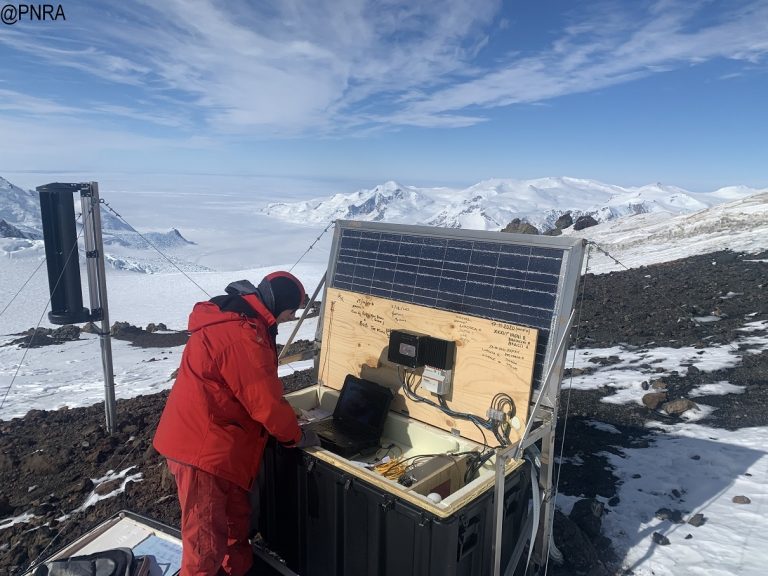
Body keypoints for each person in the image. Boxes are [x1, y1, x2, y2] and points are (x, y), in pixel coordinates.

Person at [153, 271, 319, 576]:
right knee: (205, 545)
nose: (288, 319)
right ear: (279, 304)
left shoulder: (240, 320)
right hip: (203, 452)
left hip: (220, 447)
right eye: (290, 312)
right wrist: (295, 436)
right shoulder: (243, 334)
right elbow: (264, 402)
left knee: (234, 524)